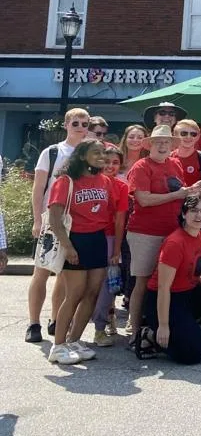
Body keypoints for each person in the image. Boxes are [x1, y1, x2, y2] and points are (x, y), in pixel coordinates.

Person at [127, 124, 201, 347]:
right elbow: (143, 199)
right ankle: (135, 331)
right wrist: (179, 193)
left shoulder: (175, 164)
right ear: (150, 144)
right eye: (158, 141)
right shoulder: (141, 167)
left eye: (167, 142)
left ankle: (160, 325)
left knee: (169, 283)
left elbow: (180, 194)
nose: (163, 145)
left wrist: (194, 188)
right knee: (143, 282)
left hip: (172, 232)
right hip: (145, 232)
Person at [141, 194, 201, 364]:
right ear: (184, 214)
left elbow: (194, 268)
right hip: (166, 299)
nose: (199, 216)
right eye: (193, 211)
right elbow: (163, 288)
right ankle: (149, 335)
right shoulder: (174, 243)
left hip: (189, 293)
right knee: (192, 355)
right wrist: (163, 325)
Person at [45, 140, 118, 365]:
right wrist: (68, 246)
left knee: (92, 293)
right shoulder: (65, 181)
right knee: (74, 293)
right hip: (75, 240)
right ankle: (58, 346)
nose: (101, 157)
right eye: (95, 153)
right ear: (82, 155)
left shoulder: (105, 181)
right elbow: (55, 218)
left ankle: (74, 340)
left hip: (97, 240)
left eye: (103, 153)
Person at [26, 107, 90, 344]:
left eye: (85, 124)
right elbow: (38, 187)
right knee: (41, 272)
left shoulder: (89, 153)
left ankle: (55, 319)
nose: (81, 128)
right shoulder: (52, 152)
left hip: (78, 222)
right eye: (76, 123)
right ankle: (33, 323)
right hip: (52, 219)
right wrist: (37, 218)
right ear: (66, 125)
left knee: (64, 275)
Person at [91, 145, 129, 347]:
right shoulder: (87, 182)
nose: (110, 166)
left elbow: (120, 221)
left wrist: (116, 250)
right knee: (84, 285)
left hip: (109, 239)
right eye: (106, 161)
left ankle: (99, 329)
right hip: (87, 237)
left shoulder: (122, 187)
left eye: (115, 162)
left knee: (108, 286)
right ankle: (71, 329)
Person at [171, 119, 201, 187]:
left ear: (198, 137)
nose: (188, 137)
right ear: (175, 135)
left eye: (193, 134)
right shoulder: (166, 158)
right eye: (184, 133)